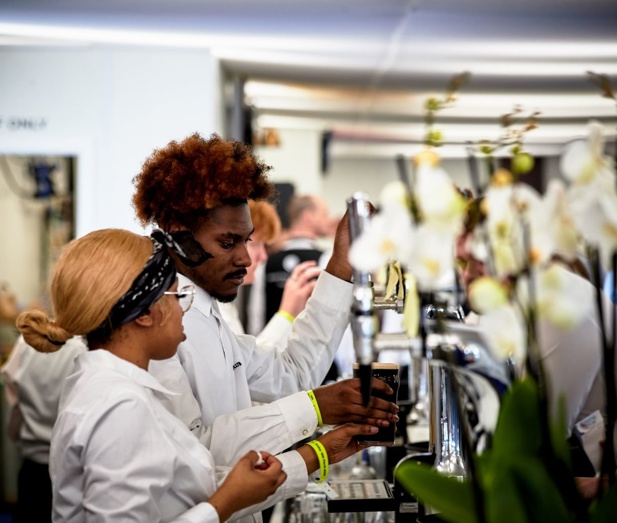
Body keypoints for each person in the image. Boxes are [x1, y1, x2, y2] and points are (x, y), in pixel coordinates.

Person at [15, 228, 380, 522]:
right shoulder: (118, 405)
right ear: (145, 314)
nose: (184, 309)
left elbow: (186, 484)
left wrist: (318, 454)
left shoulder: (123, 389)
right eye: (177, 297)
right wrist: (223, 506)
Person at [133, 134, 399, 473]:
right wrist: (315, 411)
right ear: (178, 234)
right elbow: (193, 453)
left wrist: (341, 263)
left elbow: (292, 373)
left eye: (246, 240)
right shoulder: (156, 324)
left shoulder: (209, 314)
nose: (245, 258)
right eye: (227, 242)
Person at [1, 334, 86, 523]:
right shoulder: (89, 345)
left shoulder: (27, 340)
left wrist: (17, 438)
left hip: (33, 465)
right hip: (74, 471)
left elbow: (14, 401)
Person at [219, 200, 320, 351]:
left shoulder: (226, 306)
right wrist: (287, 313)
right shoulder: (214, 309)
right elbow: (250, 363)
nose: (263, 256)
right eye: (255, 244)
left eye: (264, 246)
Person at [264, 195, 332, 325]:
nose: (328, 220)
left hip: (272, 335)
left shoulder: (266, 260)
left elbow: (256, 313)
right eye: (324, 214)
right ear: (308, 216)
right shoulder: (327, 259)